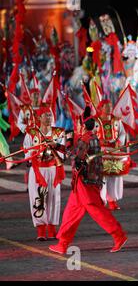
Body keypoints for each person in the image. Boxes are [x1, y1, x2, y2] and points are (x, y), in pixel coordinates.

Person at [49, 106, 127, 254]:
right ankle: (63, 244)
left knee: (98, 212)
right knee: (71, 213)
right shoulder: (92, 137)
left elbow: (75, 159)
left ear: (83, 125)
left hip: (86, 183)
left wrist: (60, 146)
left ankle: (119, 236)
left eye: (78, 123)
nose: (76, 125)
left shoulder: (85, 139)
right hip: (83, 182)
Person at [23, 106, 65, 240]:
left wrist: (55, 146)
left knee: (53, 198)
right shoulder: (31, 133)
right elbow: (26, 153)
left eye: (50, 115)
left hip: (53, 169)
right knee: (38, 198)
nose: (49, 118)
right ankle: (41, 231)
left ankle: (52, 229)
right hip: (38, 170)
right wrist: (34, 152)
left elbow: (63, 152)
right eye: (46, 115)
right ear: (40, 117)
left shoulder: (59, 133)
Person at [97, 100, 127, 210]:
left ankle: (112, 200)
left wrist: (119, 142)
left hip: (114, 151)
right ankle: (100, 199)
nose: (109, 108)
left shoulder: (117, 121)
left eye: (110, 106)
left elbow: (122, 133)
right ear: (101, 108)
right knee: (101, 176)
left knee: (114, 175)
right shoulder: (96, 121)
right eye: (107, 106)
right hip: (100, 151)